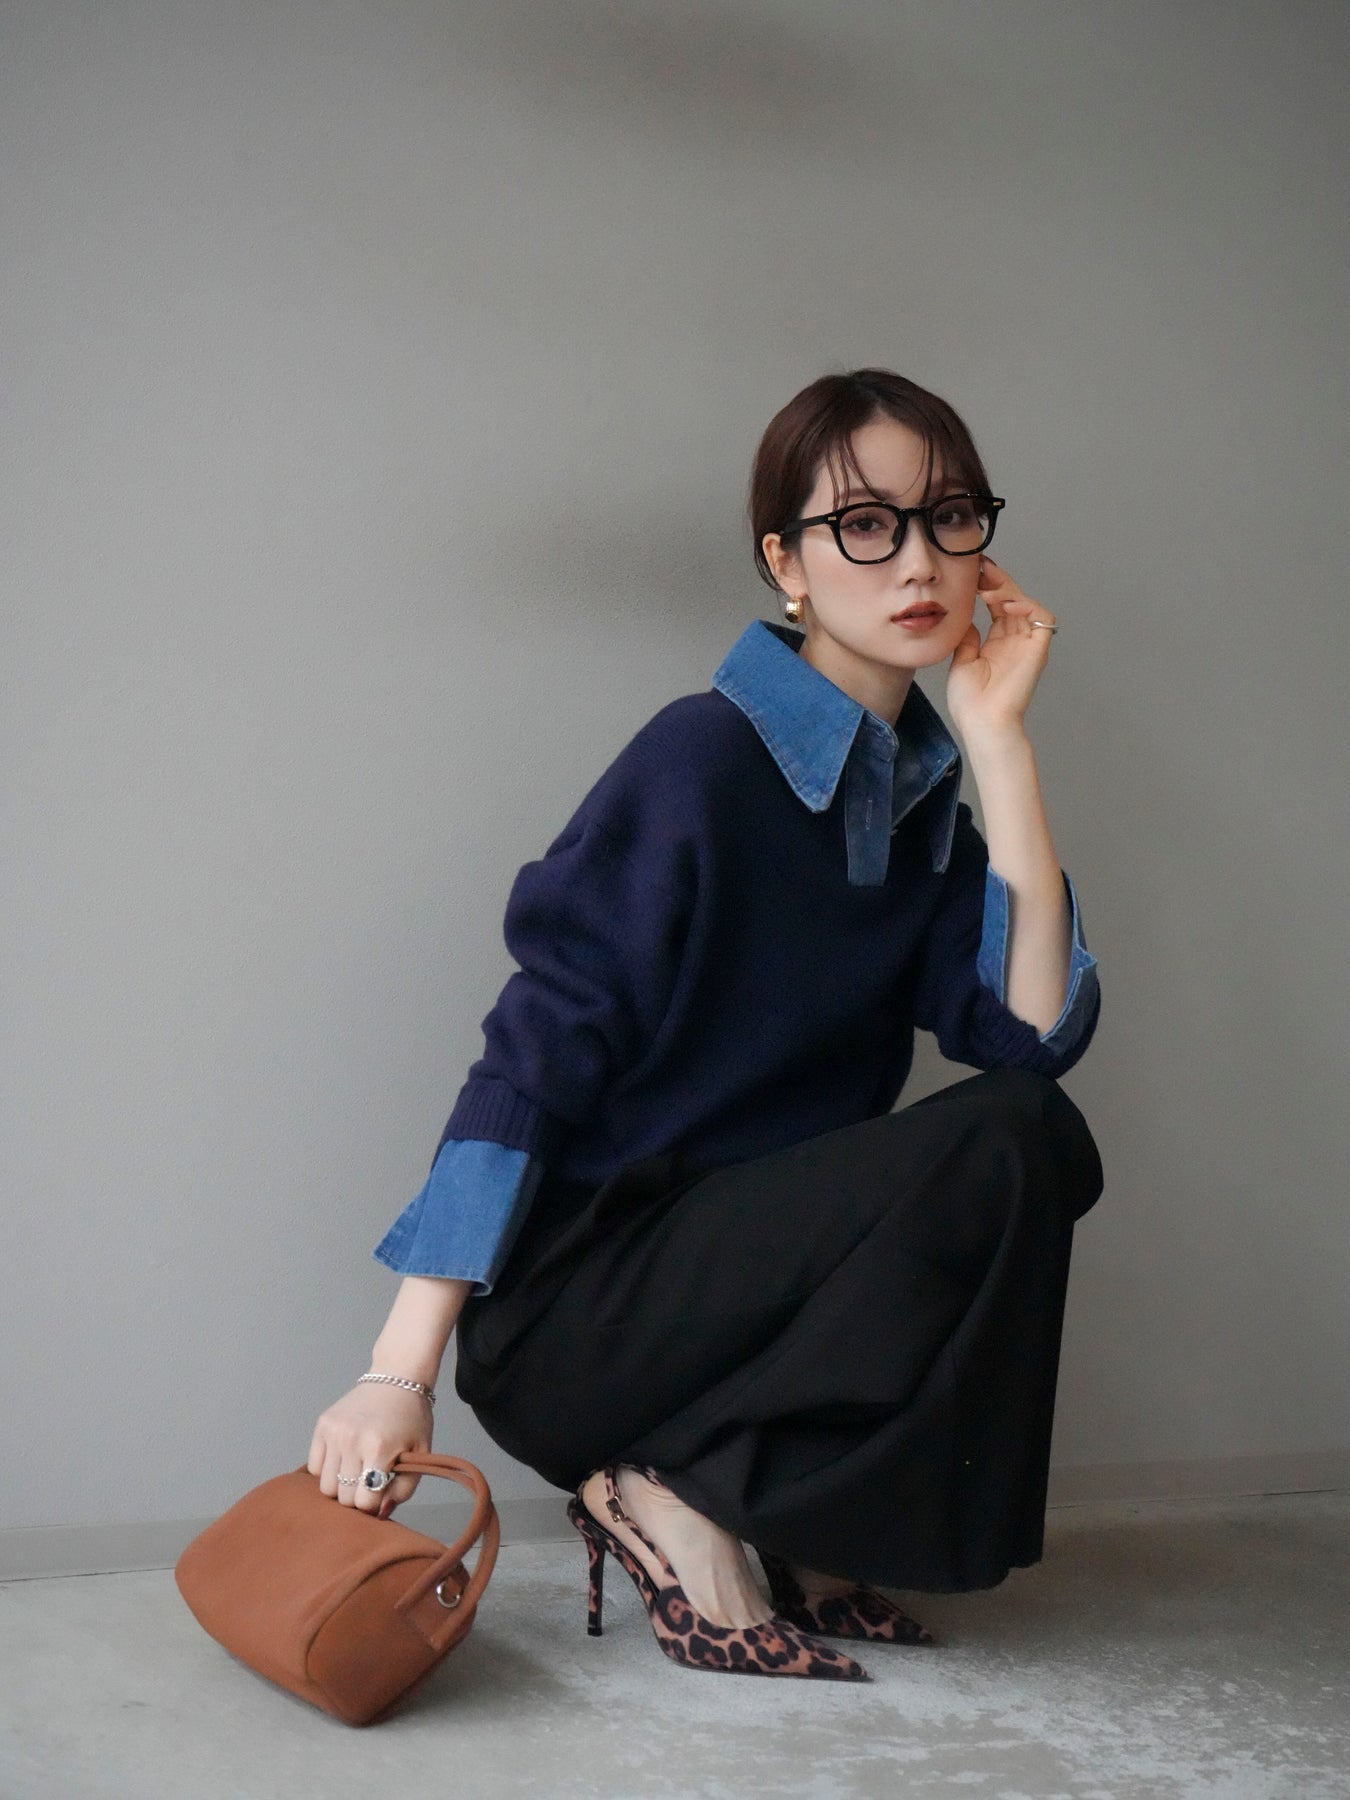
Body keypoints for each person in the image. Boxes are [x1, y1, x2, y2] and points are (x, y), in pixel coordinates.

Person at [308, 368, 1105, 1683]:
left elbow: (1032, 1038)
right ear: (785, 565)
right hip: (580, 1314)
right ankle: (675, 1493)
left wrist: (1000, 744)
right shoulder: (698, 761)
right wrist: (399, 1370)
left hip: (744, 1301)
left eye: (948, 517)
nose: (917, 560)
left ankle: (737, 1496)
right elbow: (534, 1054)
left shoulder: (918, 814)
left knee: (1027, 1139)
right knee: (1007, 1136)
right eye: (865, 525)